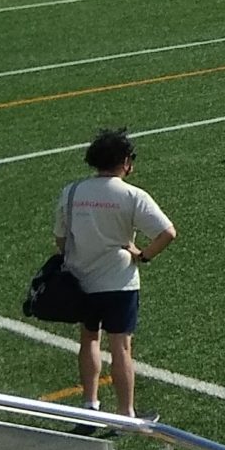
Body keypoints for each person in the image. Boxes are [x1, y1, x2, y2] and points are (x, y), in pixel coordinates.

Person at [54, 129, 177, 418]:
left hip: (81, 280)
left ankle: (90, 404)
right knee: (121, 348)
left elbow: (61, 238)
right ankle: (126, 413)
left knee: (89, 340)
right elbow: (167, 233)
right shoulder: (132, 195)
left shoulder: (71, 191)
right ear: (124, 161)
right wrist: (143, 255)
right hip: (120, 282)